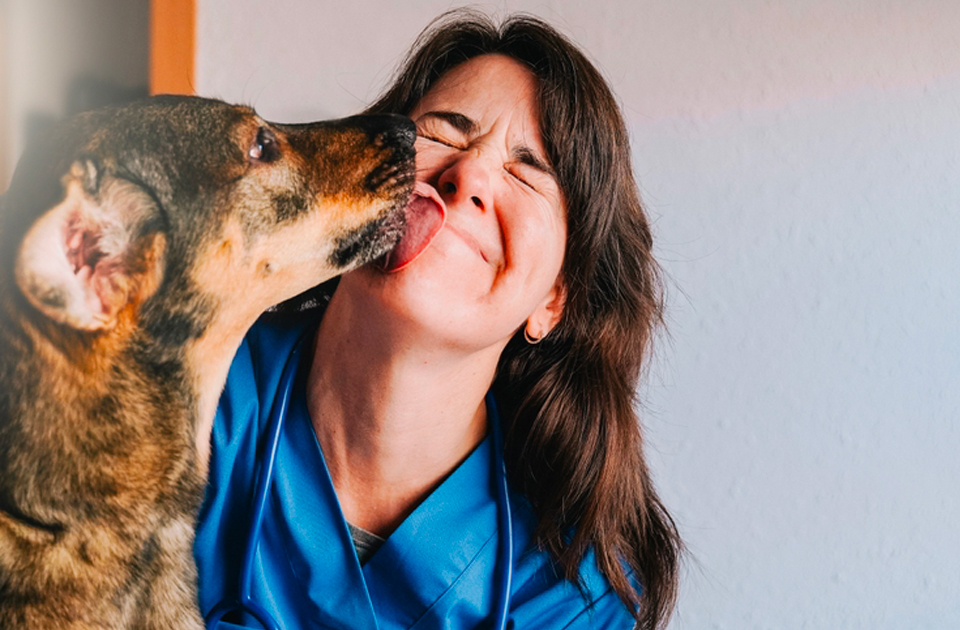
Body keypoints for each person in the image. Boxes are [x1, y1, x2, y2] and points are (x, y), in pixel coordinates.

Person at [194, 9, 681, 630]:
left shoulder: (568, 597)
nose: (470, 174)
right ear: (359, 176)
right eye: (446, 132)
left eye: (528, 170)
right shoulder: (186, 389)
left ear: (554, 300)